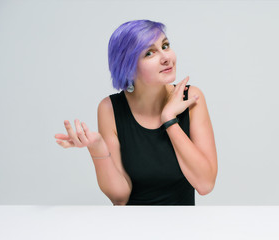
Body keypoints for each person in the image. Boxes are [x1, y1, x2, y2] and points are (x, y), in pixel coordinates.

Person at [54, 20, 218, 205]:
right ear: (128, 68)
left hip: (183, 227)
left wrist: (169, 120)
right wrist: (97, 148)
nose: (166, 57)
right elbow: (120, 197)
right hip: (130, 227)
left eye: (165, 46)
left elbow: (205, 184)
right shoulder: (109, 109)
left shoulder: (191, 98)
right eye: (149, 53)